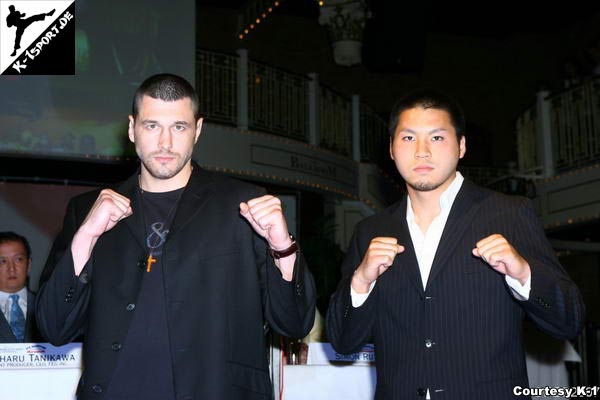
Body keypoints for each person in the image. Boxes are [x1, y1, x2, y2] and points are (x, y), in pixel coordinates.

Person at [36, 73, 316, 400]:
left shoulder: (243, 205)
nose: (165, 143)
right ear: (132, 129)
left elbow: (295, 323)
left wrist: (282, 248)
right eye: (152, 126)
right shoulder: (87, 210)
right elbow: (54, 328)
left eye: (179, 127)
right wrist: (86, 237)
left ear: (197, 130)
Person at [326, 89, 584, 399]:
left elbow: (569, 320)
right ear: (392, 150)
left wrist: (523, 272)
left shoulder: (508, 212)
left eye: (436, 138)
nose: (422, 151)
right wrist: (361, 281)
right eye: (408, 138)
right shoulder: (370, 230)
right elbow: (342, 341)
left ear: (461, 146)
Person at [0, 231, 40, 343]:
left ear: (29, 264)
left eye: (18, 259)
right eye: (3, 261)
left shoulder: (46, 306)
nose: (11, 268)